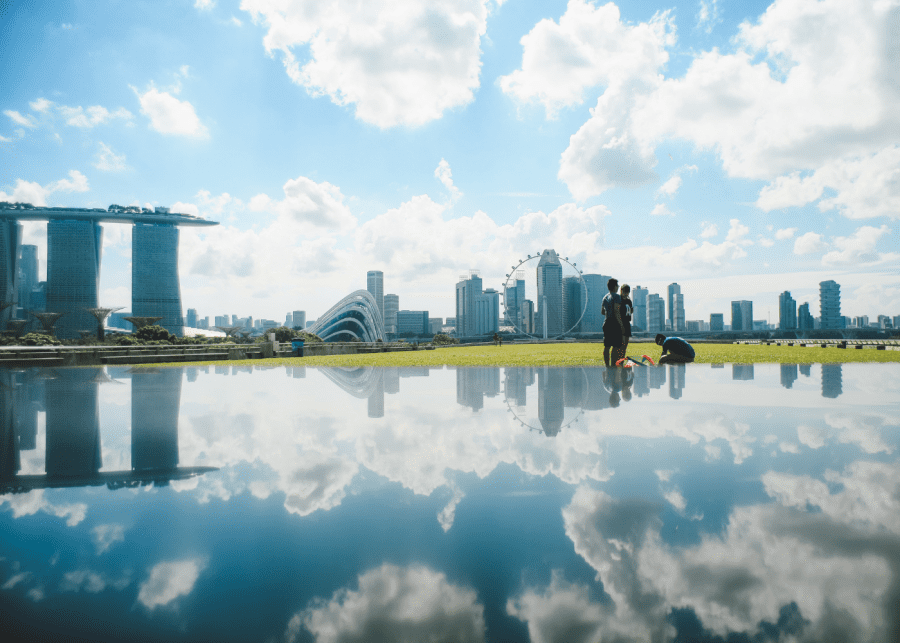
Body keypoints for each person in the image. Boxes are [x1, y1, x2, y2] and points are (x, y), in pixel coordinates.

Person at [600, 278, 625, 366]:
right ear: (614, 286)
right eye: (617, 285)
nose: (618, 287)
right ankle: (613, 365)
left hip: (606, 323)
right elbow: (616, 311)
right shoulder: (617, 297)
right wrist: (621, 325)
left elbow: (602, 312)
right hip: (615, 324)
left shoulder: (605, 297)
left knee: (607, 346)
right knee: (615, 346)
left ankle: (607, 365)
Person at [619, 284, 633, 355]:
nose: (626, 293)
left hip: (627, 323)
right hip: (621, 323)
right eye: (624, 291)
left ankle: (622, 360)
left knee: (625, 346)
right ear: (621, 291)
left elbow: (630, 311)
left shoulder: (629, 301)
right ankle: (618, 361)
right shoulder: (619, 300)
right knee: (621, 345)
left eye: (627, 292)